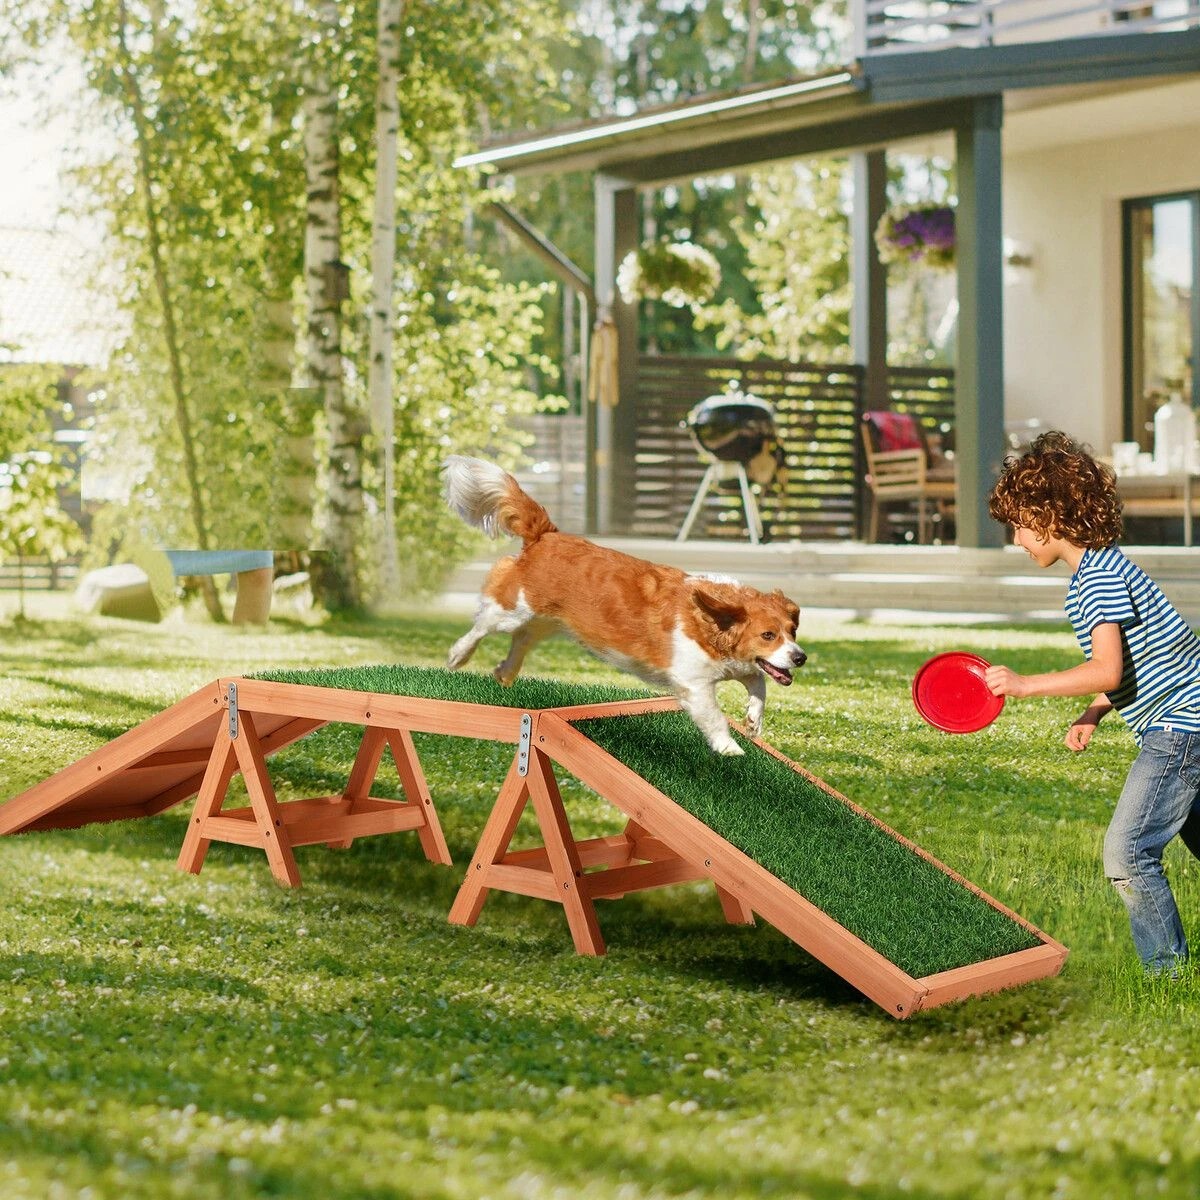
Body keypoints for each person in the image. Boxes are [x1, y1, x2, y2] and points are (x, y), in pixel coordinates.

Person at [984, 430, 1200, 976]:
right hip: (1188, 719)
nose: (1016, 538)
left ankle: (1167, 975)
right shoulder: (1106, 565)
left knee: (1128, 853)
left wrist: (1025, 684)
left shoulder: (1098, 579)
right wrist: (1096, 709)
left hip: (1181, 729)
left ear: (1050, 516)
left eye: (1019, 524)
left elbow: (1107, 668)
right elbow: (1145, 658)